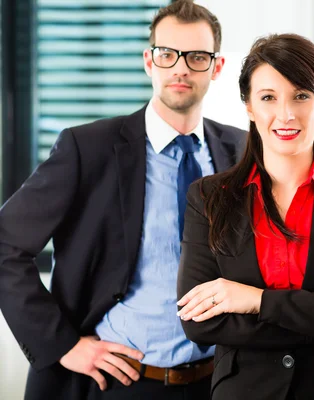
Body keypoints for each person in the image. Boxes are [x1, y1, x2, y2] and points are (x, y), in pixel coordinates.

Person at [0, 1, 246, 399]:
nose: (181, 68)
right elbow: (5, 243)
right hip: (120, 382)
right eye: (168, 55)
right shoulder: (89, 149)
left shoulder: (242, 149)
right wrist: (62, 344)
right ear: (149, 61)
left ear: (216, 67)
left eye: (197, 57)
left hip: (220, 383)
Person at [175, 33, 314, 400]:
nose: (286, 114)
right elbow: (198, 320)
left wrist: (255, 300)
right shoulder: (208, 197)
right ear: (249, 106)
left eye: (301, 95)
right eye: (268, 97)